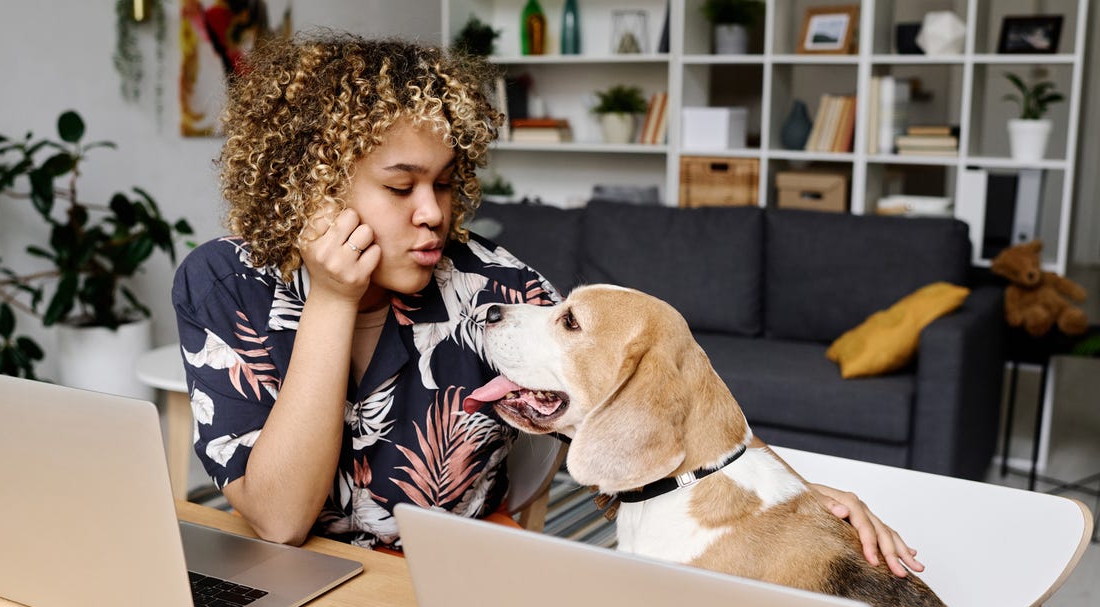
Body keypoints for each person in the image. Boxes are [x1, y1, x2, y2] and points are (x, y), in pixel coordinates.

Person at [172, 32, 922, 576]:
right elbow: (277, 517)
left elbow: (653, 412)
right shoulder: (225, 287)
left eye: (444, 180)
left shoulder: (499, 292)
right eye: (401, 188)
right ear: (314, 186)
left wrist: (787, 494)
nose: (433, 211)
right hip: (285, 586)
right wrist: (334, 302)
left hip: (454, 590)